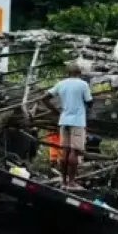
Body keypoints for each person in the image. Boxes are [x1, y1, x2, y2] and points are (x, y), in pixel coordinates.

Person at [46, 61, 92, 189]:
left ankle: (63, 181)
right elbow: (89, 102)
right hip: (77, 121)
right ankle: (71, 182)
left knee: (64, 151)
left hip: (64, 120)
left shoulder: (61, 84)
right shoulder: (83, 84)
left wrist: (55, 111)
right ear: (79, 73)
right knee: (74, 152)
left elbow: (45, 97)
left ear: (68, 73)